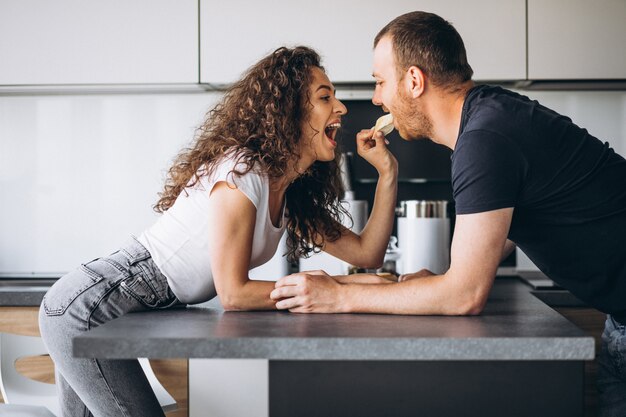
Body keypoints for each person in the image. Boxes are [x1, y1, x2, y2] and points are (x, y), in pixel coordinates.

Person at [270, 11, 626, 416]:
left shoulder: (484, 139)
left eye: (381, 81)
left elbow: (464, 295)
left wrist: (339, 297)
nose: (375, 98)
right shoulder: (491, 118)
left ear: (414, 81)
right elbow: (493, 238)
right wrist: (436, 284)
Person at [38, 46, 398, 416]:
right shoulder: (243, 173)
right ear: (289, 111)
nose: (341, 108)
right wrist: (337, 291)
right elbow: (234, 293)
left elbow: (366, 254)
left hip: (108, 307)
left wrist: (387, 174)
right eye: (325, 97)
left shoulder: (287, 191)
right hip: (84, 310)